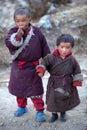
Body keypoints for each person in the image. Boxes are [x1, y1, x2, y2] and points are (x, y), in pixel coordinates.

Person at [5, 7, 50, 122]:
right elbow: (10, 44)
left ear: (29, 19)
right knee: (19, 90)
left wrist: (48, 61)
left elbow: (44, 47)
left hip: (33, 67)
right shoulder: (12, 32)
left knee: (36, 90)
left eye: (23, 21)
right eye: (18, 21)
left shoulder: (37, 32)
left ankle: (39, 110)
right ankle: (22, 107)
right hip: (18, 68)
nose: (21, 24)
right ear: (15, 21)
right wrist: (18, 36)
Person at [36, 34, 83, 123]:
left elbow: (77, 70)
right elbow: (44, 63)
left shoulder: (72, 59)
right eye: (62, 47)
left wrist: (77, 80)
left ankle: (63, 113)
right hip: (54, 82)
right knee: (53, 99)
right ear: (57, 46)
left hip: (67, 82)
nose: (64, 50)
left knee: (64, 97)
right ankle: (54, 114)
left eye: (67, 47)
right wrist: (41, 70)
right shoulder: (50, 57)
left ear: (71, 47)